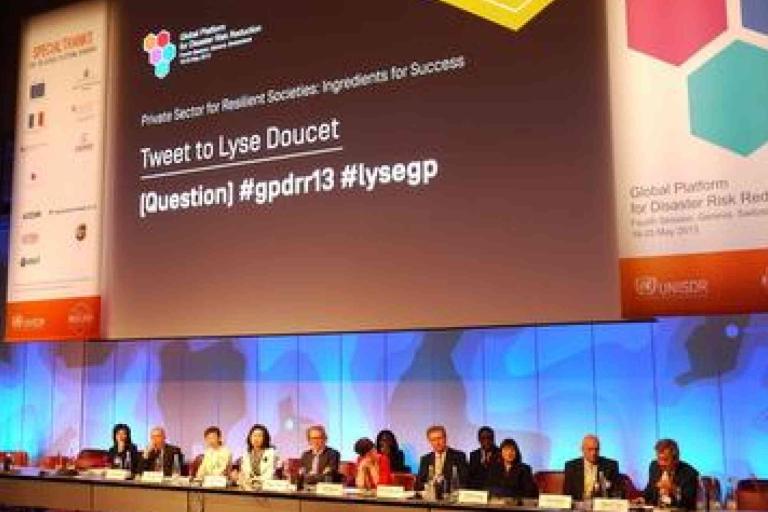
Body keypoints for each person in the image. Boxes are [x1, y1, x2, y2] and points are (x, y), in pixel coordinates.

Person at [639, 439, 699, 510]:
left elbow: (689, 503)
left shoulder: (690, 473)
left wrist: (674, 489)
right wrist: (642, 499)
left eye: (665, 460)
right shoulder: (654, 466)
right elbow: (650, 488)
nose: (661, 463)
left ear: (675, 459)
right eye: (659, 459)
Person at [563, 434, 622, 500]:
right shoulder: (571, 466)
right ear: (582, 449)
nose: (593, 453)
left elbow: (617, 492)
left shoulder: (611, 465)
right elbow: (567, 494)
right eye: (590, 449)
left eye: (596, 449)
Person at [416, 425, 469, 491]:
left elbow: (464, 480)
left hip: (451, 496)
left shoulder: (459, 456)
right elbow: (419, 483)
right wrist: (430, 484)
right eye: (433, 440)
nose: (437, 443)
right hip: (431, 497)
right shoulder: (425, 459)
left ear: (445, 438)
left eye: (439, 438)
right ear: (429, 441)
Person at [235, 424, 280, 488]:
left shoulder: (272, 453)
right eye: (254, 436)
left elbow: (270, 474)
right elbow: (245, 472)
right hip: (250, 486)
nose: (256, 439)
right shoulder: (246, 453)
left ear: (265, 438)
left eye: (259, 436)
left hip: (267, 486)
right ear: (250, 438)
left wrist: (256, 481)